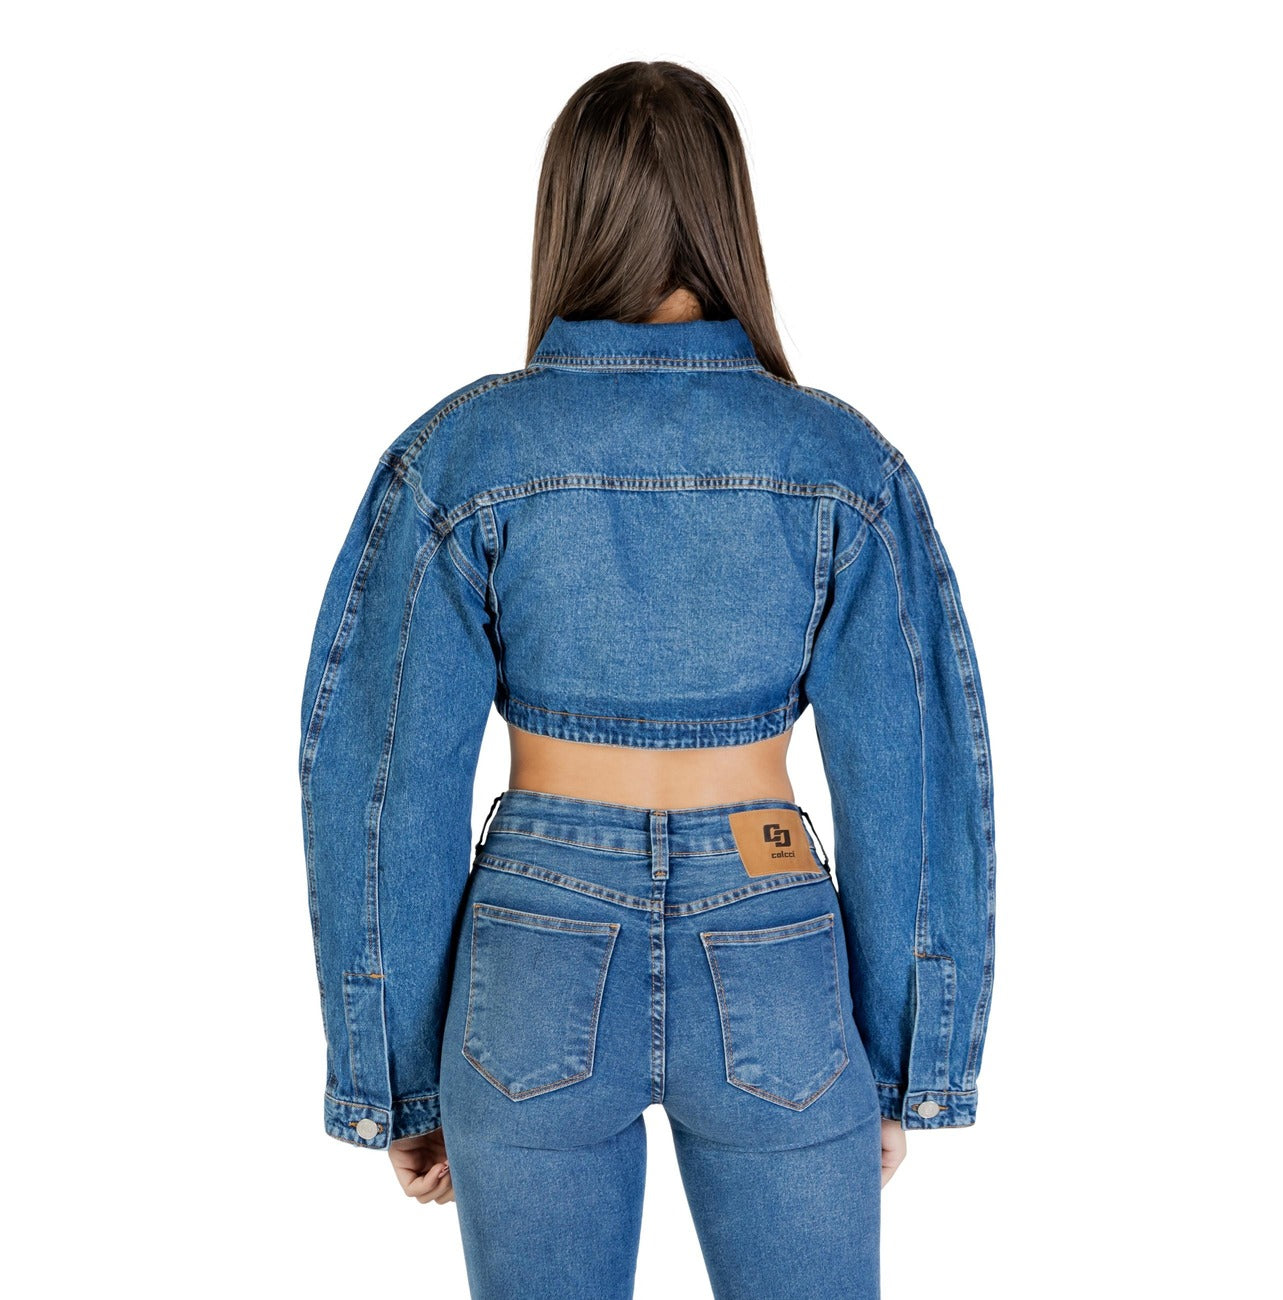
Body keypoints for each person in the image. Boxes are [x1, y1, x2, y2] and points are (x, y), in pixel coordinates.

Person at [298, 59, 996, 1300]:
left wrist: (395, 1073)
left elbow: (382, 779)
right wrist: (904, 1063)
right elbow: (914, 776)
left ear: (566, 213)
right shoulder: (840, 460)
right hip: (769, 922)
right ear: (731, 214)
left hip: (534, 938)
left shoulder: (461, 454)